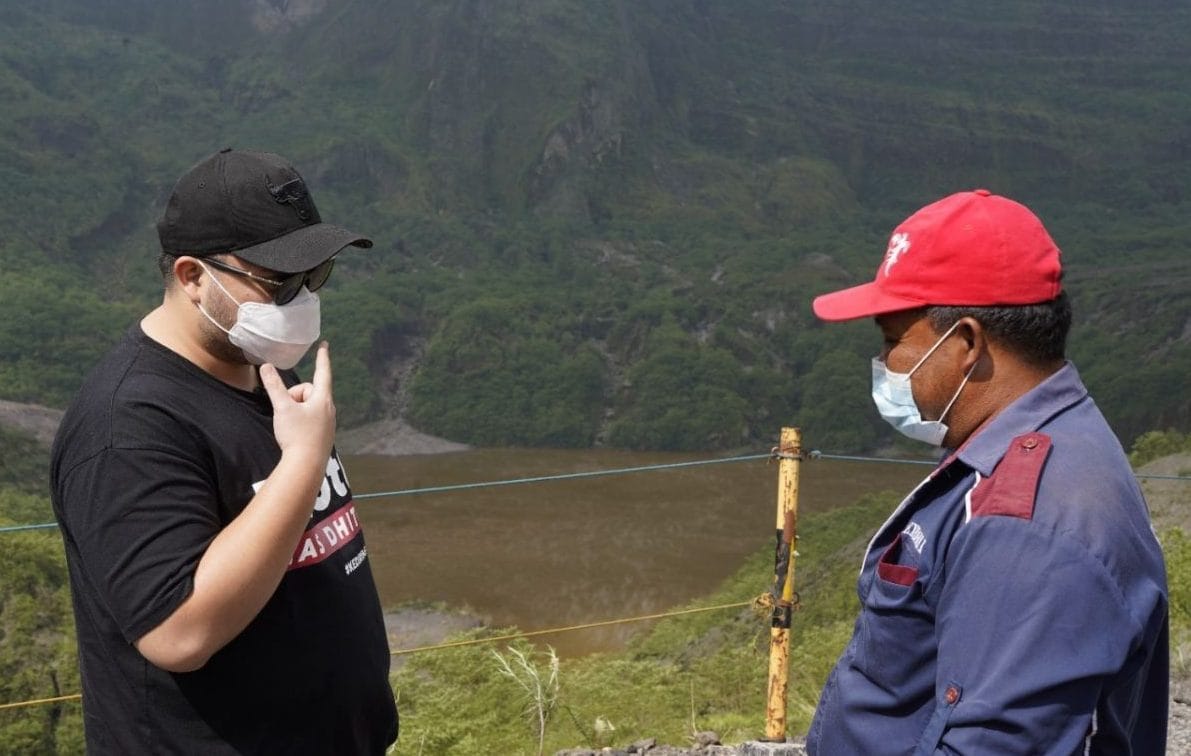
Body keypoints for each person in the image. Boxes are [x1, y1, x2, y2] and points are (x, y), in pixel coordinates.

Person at [50, 148, 399, 754]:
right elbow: (178, 632)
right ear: (192, 277)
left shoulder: (261, 368)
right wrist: (303, 461)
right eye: (278, 281)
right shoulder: (126, 426)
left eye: (314, 276)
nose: (299, 298)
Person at [805, 189, 1168, 753]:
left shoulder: (1025, 525)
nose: (883, 364)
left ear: (967, 343)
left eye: (893, 340)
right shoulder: (1021, 448)